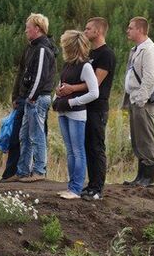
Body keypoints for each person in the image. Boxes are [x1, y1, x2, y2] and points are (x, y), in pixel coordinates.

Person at [56, 17, 116, 201]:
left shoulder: (106, 55)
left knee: (95, 147)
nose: (85, 31)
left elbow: (94, 85)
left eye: (88, 28)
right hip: (82, 106)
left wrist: (71, 90)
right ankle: (87, 185)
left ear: (98, 31)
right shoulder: (88, 55)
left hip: (97, 107)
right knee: (83, 146)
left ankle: (97, 188)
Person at [52, 30, 99, 200]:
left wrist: (73, 102)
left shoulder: (85, 66)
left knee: (77, 150)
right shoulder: (67, 65)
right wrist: (56, 96)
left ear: (70, 46)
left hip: (76, 112)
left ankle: (76, 188)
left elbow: (94, 93)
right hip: (64, 110)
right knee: (70, 150)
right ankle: (72, 186)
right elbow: (61, 84)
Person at [9, 13, 56, 183]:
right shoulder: (33, 47)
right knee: (25, 135)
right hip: (31, 98)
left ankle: (39, 170)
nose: (25, 31)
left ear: (37, 28)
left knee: (36, 135)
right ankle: (22, 171)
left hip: (37, 98)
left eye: (28, 27)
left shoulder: (42, 49)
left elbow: (40, 76)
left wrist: (31, 97)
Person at [122, 17, 154, 187]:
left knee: (146, 138)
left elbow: (150, 78)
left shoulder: (150, 50)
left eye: (130, 28)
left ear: (140, 30)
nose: (128, 30)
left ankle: (148, 179)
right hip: (136, 99)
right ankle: (140, 177)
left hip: (144, 101)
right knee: (138, 138)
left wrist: (140, 100)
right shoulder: (137, 49)